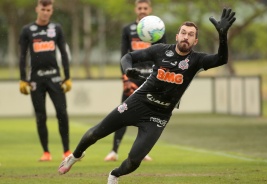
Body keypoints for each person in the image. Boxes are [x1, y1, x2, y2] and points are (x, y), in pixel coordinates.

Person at [58, 8, 236, 184]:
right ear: (177, 36)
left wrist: (222, 35)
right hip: (137, 103)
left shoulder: (197, 60)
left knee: (134, 161)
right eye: (183, 33)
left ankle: (114, 175)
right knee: (95, 133)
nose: (185, 37)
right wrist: (128, 70)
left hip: (159, 116)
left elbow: (221, 59)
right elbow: (127, 56)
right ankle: (74, 157)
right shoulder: (160, 50)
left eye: (190, 35)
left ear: (195, 41)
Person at [104, 0, 166, 162]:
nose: (142, 10)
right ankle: (114, 151)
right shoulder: (128, 29)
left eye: (145, 8)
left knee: (147, 117)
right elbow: (123, 55)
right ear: (135, 9)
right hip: (132, 79)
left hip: (151, 79)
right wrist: (125, 79)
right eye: (140, 8)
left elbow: (164, 56)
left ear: (150, 9)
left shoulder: (158, 29)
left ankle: (142, 151)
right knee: (123, 112)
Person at [19, 0, 72, 161]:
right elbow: (22, 56)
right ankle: (46, 152)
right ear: (37, 9)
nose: (45, 12)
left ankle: (66, 151)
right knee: (40, 115)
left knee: (62, 113)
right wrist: (23, 79)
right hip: (36, 79)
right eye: (43, 9)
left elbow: (63, 53)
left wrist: (67, 77)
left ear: (51, 11)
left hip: (55, 77)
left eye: (48, 10)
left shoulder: (56, 28)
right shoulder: (28, 30)